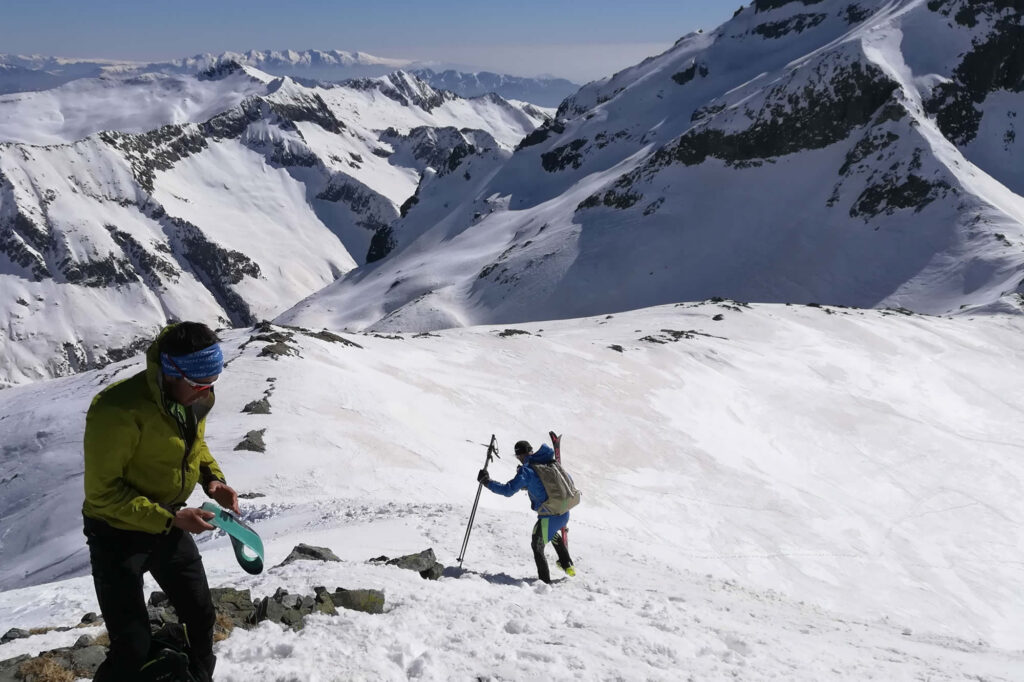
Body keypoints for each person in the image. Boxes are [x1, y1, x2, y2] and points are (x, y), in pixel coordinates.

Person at [82, 321, 239, 682]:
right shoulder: (116, 411)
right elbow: (102, 494)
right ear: (172, 372)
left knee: (201, 617)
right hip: (115, 533)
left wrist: (213, 479)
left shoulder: (193, 398)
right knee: (132, 644)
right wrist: (171, 518)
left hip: (168, 524)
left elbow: (192, 446)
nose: (207, 393)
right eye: (200, 384)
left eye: (212, 383)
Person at [478, 439, 576, 583]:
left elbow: (507, 490)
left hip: (549, 516)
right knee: (549, 531)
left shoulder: (527, 470)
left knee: (537, 545)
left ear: (519, 455)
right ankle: (567, 565)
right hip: (564, 511)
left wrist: (487, 482)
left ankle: (544, 582)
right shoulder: (549, 462)